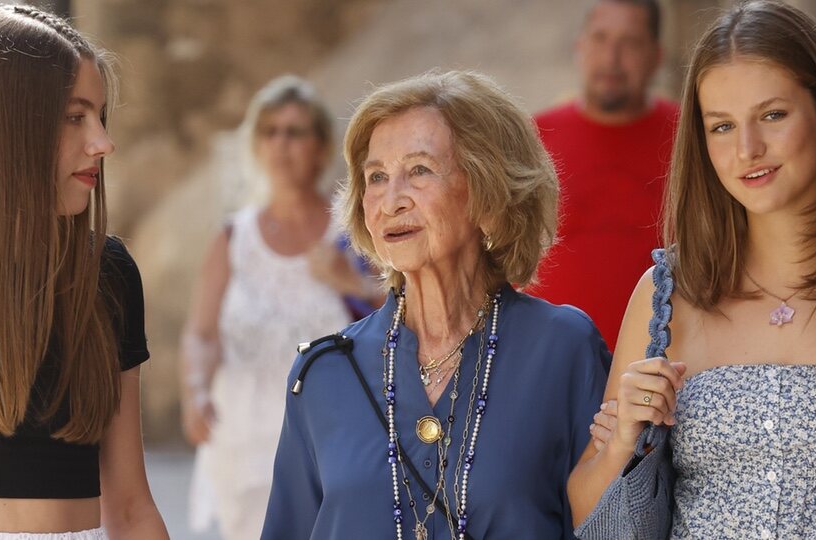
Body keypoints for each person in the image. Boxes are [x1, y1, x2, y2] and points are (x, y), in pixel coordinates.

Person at [570, 1, 816, 538]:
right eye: (721, 126)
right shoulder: (668, 294)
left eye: (772, 115)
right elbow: (588, 514)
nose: (747, 149)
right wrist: (622, 443)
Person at [260, 70, 610, 540]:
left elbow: (607, 523)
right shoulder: (321, 373)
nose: (389, 201)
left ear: (489, 193)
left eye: (419, 170)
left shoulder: (563, 349)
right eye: (376, 178)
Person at [0, 5, 168, 539]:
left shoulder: (106, 271)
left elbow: (131, 504)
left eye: (100, 117)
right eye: (75, 116)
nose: (103, 143)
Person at [179, 75, 380, 540]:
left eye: (295, 131)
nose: (281, 144)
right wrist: (196, 390)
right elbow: (202, 333)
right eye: (269, 131)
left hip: (330, 444)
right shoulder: (233, 237)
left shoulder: (354, 231)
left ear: (321, 145)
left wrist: (352, 283)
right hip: (243, 444)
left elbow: (405, 317)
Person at [530, 0, 678, 350]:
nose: (611, 58)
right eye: (600, 38)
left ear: (655, 56)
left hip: (660, 367)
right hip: (548, 363)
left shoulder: (691, 138)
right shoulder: (532, 139)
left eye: (629, 43)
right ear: (580, 46)